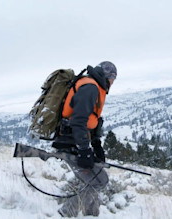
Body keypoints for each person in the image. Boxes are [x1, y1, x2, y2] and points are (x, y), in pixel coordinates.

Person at [52, 61, 117, 217]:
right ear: (108, 77)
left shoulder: (92, 85)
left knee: (97, 178)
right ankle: (66, 213)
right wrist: (84, 150)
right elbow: (79, 120)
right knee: (99, 181)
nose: (112, 83)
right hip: (70, 143)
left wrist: (96, 146)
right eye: (113, 79)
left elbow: (90, 122)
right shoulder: (91, 88)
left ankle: (91, 215)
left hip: (75, 141)